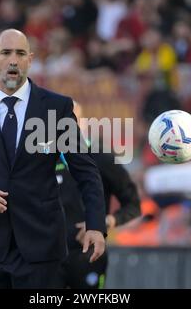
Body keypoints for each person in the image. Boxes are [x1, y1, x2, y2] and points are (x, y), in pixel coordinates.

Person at [0, 29, 107, 289]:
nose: (13, 61)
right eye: (6, 53)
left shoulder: (56, 107)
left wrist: (96, 225)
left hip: (42, 252)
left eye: (20, 53)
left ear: (30, 59)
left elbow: (86, 172)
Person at [56, 101, 141, 288]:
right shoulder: (41, 160)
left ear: (83, 123)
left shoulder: (101, 158)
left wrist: (102, 223)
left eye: (72, 120)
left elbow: (133, 205)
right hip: (46, 258)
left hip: (88, 256)